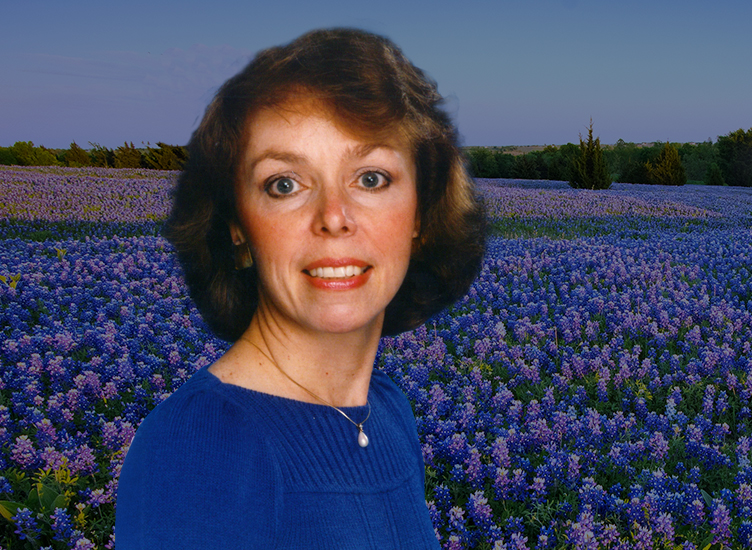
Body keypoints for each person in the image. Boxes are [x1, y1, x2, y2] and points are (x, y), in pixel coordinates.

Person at [115, 28, 486, 549]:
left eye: (372, 178)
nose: (334, 218)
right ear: (236, 222)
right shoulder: (203, 444)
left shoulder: (389, 413)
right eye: (285, 183)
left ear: (420, 212)